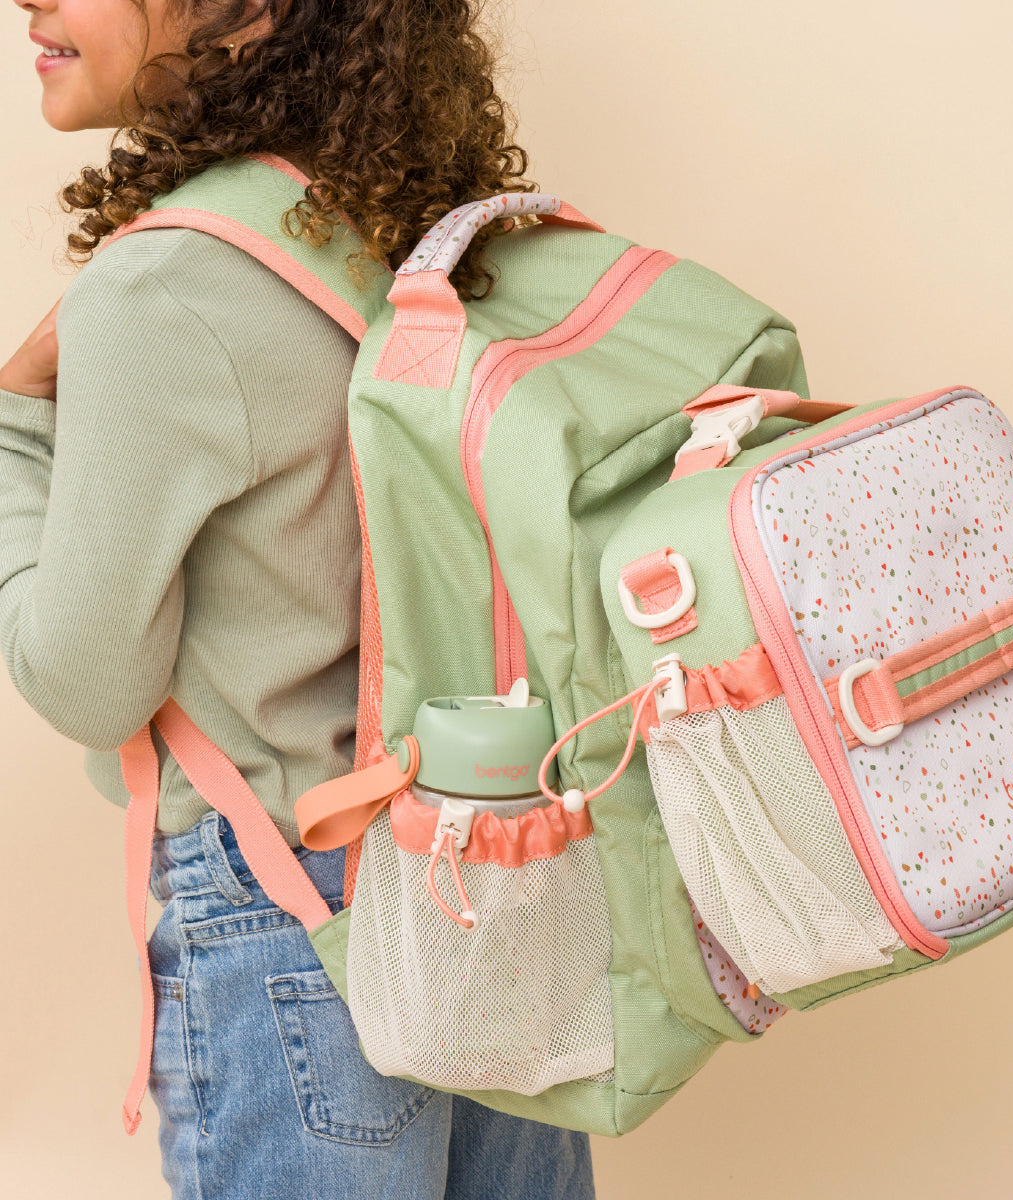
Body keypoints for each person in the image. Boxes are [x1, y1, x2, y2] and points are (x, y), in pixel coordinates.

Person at [0, 1, 597, 1197]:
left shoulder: (164, 282)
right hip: (489, 869)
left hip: (288, 910)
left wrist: (16, 414)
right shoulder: (417, 227)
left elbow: (82, 678)